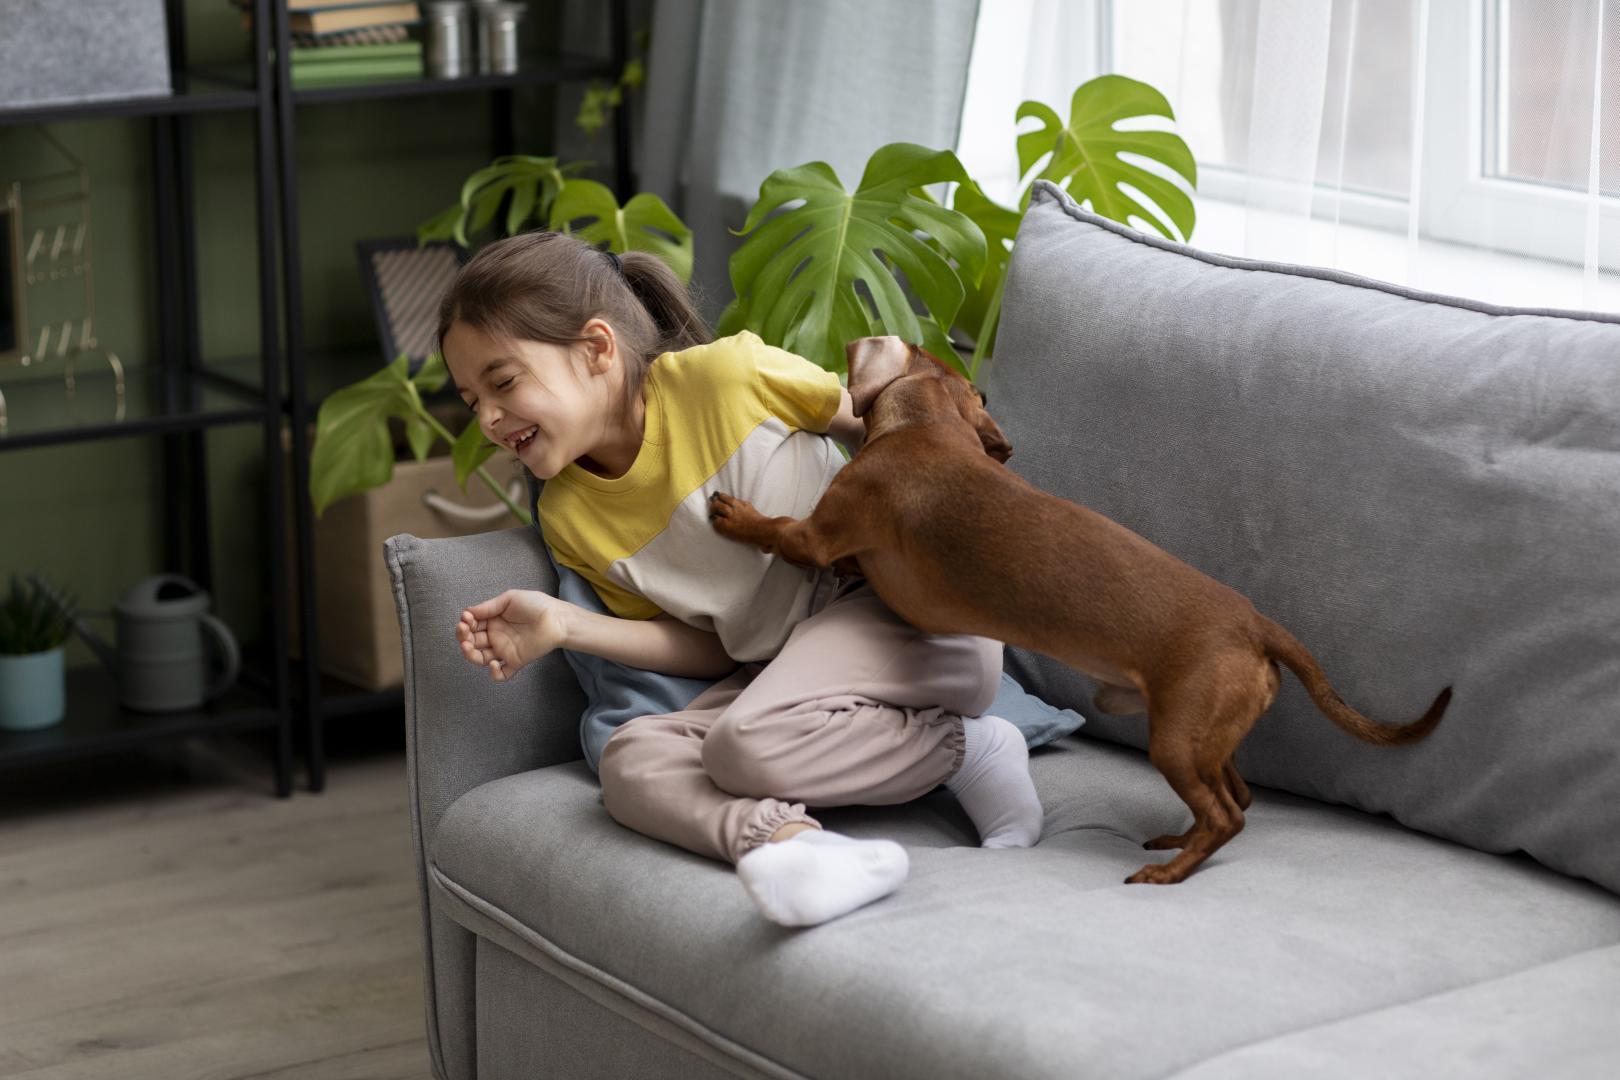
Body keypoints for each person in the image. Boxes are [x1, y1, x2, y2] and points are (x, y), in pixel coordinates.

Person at [444, 230, 1043, 927]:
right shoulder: (570, 517)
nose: (487, 417)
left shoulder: (725, 379)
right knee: (631, 758)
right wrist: (565, 624)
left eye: (504, 382)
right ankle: (794, 846)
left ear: (597, 350)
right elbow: (714, 649)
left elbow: (890, 429)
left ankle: (966, 748)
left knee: (743, 744)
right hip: (788, 674)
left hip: (902, 609)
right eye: (469, 399)